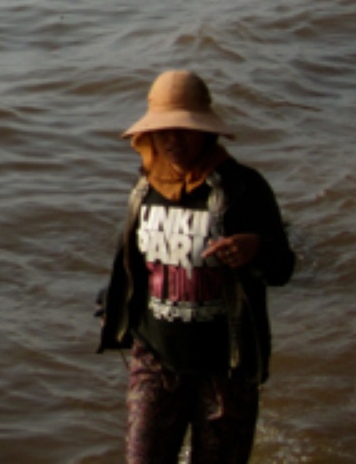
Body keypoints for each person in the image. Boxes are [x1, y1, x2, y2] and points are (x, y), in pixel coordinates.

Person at [97, 69, 294, 464]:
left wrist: (256, 247)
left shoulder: (243, 188)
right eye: (164, 131)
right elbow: (133, 261)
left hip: (226, 368)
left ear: (206, 132)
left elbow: (283, 268)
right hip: (156, 359)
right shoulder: (145, 189)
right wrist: (112, 299)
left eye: (183, 130)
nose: (173, 140)